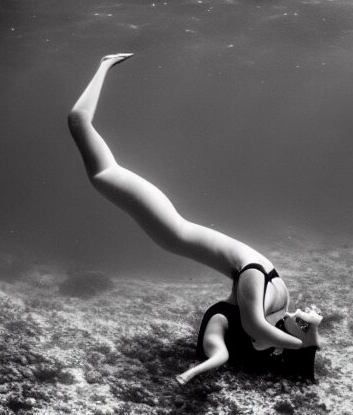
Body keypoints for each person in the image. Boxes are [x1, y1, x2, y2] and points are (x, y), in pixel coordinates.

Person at [68, 53, 323, 385]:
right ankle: (103, 66)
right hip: (173, 229)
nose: (303, 321)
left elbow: (256, 330)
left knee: (94, 158)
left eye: (298, 329)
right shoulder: (275, 301)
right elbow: (278, 347)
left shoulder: (255, 295)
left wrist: (305, 336)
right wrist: (307, 335)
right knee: (99, 167)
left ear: (278, 340)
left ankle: (103, 64)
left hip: (170, 230)